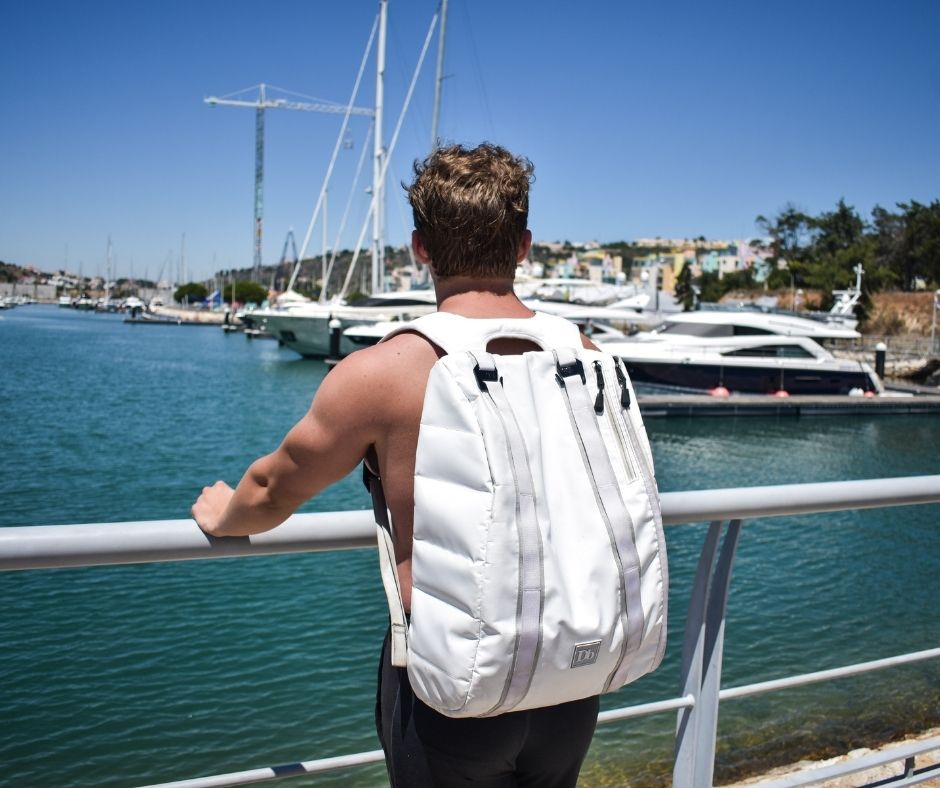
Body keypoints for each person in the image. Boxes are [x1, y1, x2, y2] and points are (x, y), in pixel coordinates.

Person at [192, 142, 600, 787]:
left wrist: (226, 513)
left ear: (420, 249)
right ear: (523, 246)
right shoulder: (580, 352)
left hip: (452, 682)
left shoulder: (386, 371)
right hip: (568, 670)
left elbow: (273, 488)